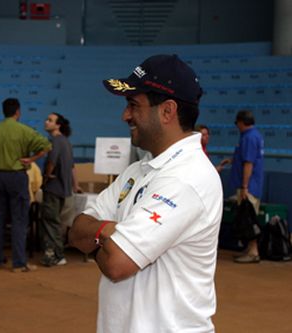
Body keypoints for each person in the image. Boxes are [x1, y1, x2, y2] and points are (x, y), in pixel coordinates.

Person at [69, 54, 223, 333]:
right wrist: (111, 232)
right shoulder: (138, 170)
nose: (124, 115)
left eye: (132, 105)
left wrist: (105, 236)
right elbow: (77, 231)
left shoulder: (188, 178)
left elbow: (116, 263)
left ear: (167, 111)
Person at [0, 98, 51, 272]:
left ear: (4, 111)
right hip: (17, 176)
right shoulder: (24, 130)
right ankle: (19, 263)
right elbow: (46, 146)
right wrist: (31, 159)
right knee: (19, 220)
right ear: (17, 112)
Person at [222, 110, 264, 264]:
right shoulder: (253, 136)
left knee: (248, 218)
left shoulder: (249, 137)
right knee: (247, 216)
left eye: (237, 123)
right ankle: (250, 248)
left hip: (248, 186)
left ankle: (253, 252)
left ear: (241, 122)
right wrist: (231, 160)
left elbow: (248, 163)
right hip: (251, 185)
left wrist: (245, 187)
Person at [40, 112, 79, 267]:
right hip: (63, 189)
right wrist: (75, 185)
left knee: (50, 222)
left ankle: (56, 255)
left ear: (58, 125)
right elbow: (72, 167)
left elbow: (52, 161)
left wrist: (46, 177)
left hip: (53, 188)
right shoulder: (66, 142)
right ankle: (57, 254)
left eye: (50, 120)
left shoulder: (56, 141)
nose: (46, 122)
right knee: (55, 222)